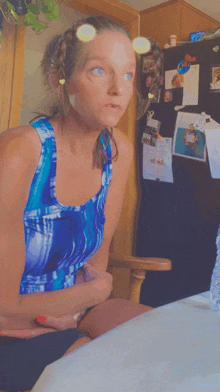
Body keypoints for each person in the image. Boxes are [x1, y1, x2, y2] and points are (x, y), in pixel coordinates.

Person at [0, 15, 163, 391]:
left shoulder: (117, 150)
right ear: (60, 78)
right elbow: (4, 306)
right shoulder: (20, 150)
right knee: (103, 371)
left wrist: (81, 308)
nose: (118, 89)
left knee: (163, 339)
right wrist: (89, 296)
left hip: (72, 315)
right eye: (98, 71)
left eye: (126, 74)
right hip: (14, 331)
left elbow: (95, 266)